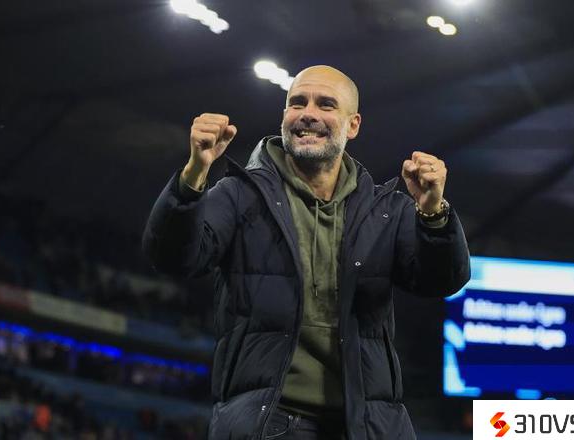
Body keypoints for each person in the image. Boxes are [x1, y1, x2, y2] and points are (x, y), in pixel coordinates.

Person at [143, 65, 470, 440]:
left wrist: (433, 213)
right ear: (284, 115)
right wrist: (193, 174)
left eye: (326, 104)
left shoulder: (386, 210)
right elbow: (172, 257)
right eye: (297, 103)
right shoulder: (239, 194)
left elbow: (442, 280)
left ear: (353, 125)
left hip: (365, 427)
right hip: (268, 424)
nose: (308, 113)